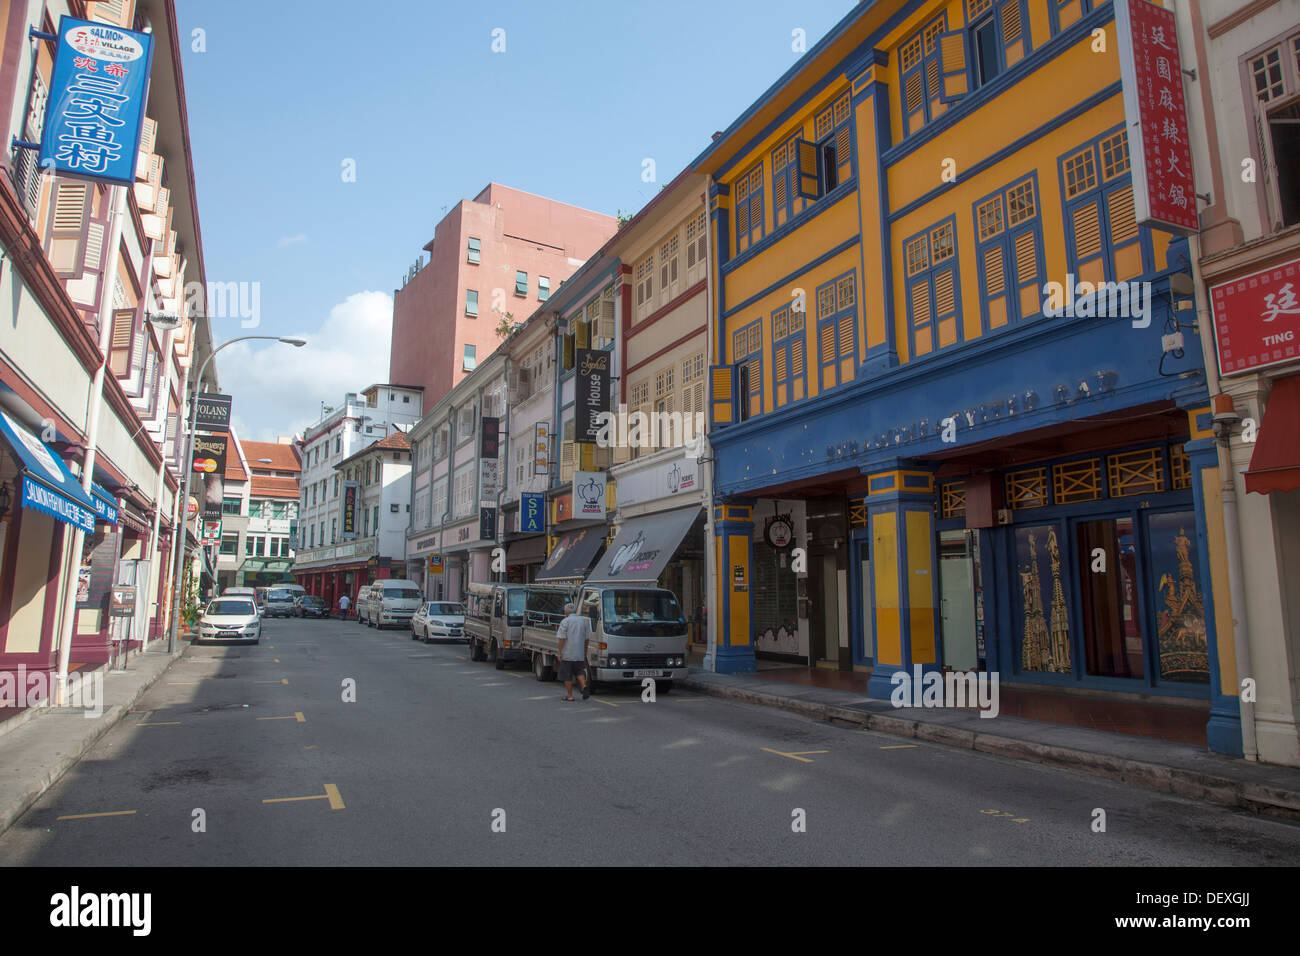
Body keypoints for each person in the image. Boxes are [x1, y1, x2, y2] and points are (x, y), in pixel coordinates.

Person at [556, 602, 591, 701]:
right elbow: (586, 639)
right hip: (579, 653)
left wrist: (559, 652)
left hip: (568, 653)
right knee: (579, 671)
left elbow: (562, 638)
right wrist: (584, 652)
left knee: (567, 674)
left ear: (566, 612)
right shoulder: (583, 621)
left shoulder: (565, 621)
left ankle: (570, 695)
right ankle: (584, 686)